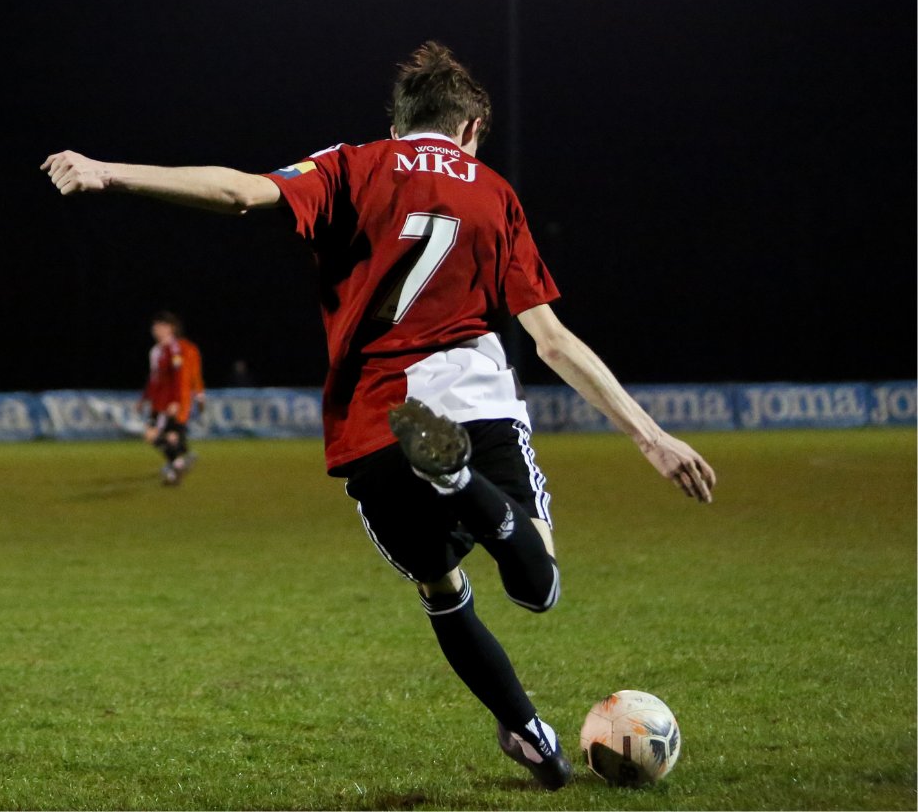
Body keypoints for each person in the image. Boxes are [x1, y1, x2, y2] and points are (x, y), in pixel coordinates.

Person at [41, 41, 716, 788]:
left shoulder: (352, 164)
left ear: (400, 126)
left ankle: (528, 734)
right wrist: (651, 438)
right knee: (538, 587)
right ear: (470, 129)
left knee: (441, 590)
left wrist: (111, 173)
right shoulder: (493, 192)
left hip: (376, 419)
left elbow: (239, 192)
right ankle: (469, 489)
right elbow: (551, 340)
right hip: (474, 397)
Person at [139, 310, 205, 485]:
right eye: (154, 326)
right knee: (171, 437)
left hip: (171, 402)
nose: (155, 330)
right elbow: (154, 379)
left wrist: (178, 400)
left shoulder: (176, 349)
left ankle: (177, 466)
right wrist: (144, 398)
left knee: (153, 435)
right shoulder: (156, 351)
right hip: (160, 402)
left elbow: (180, 377)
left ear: (170, 328)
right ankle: (178, 464)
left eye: (159, 326)